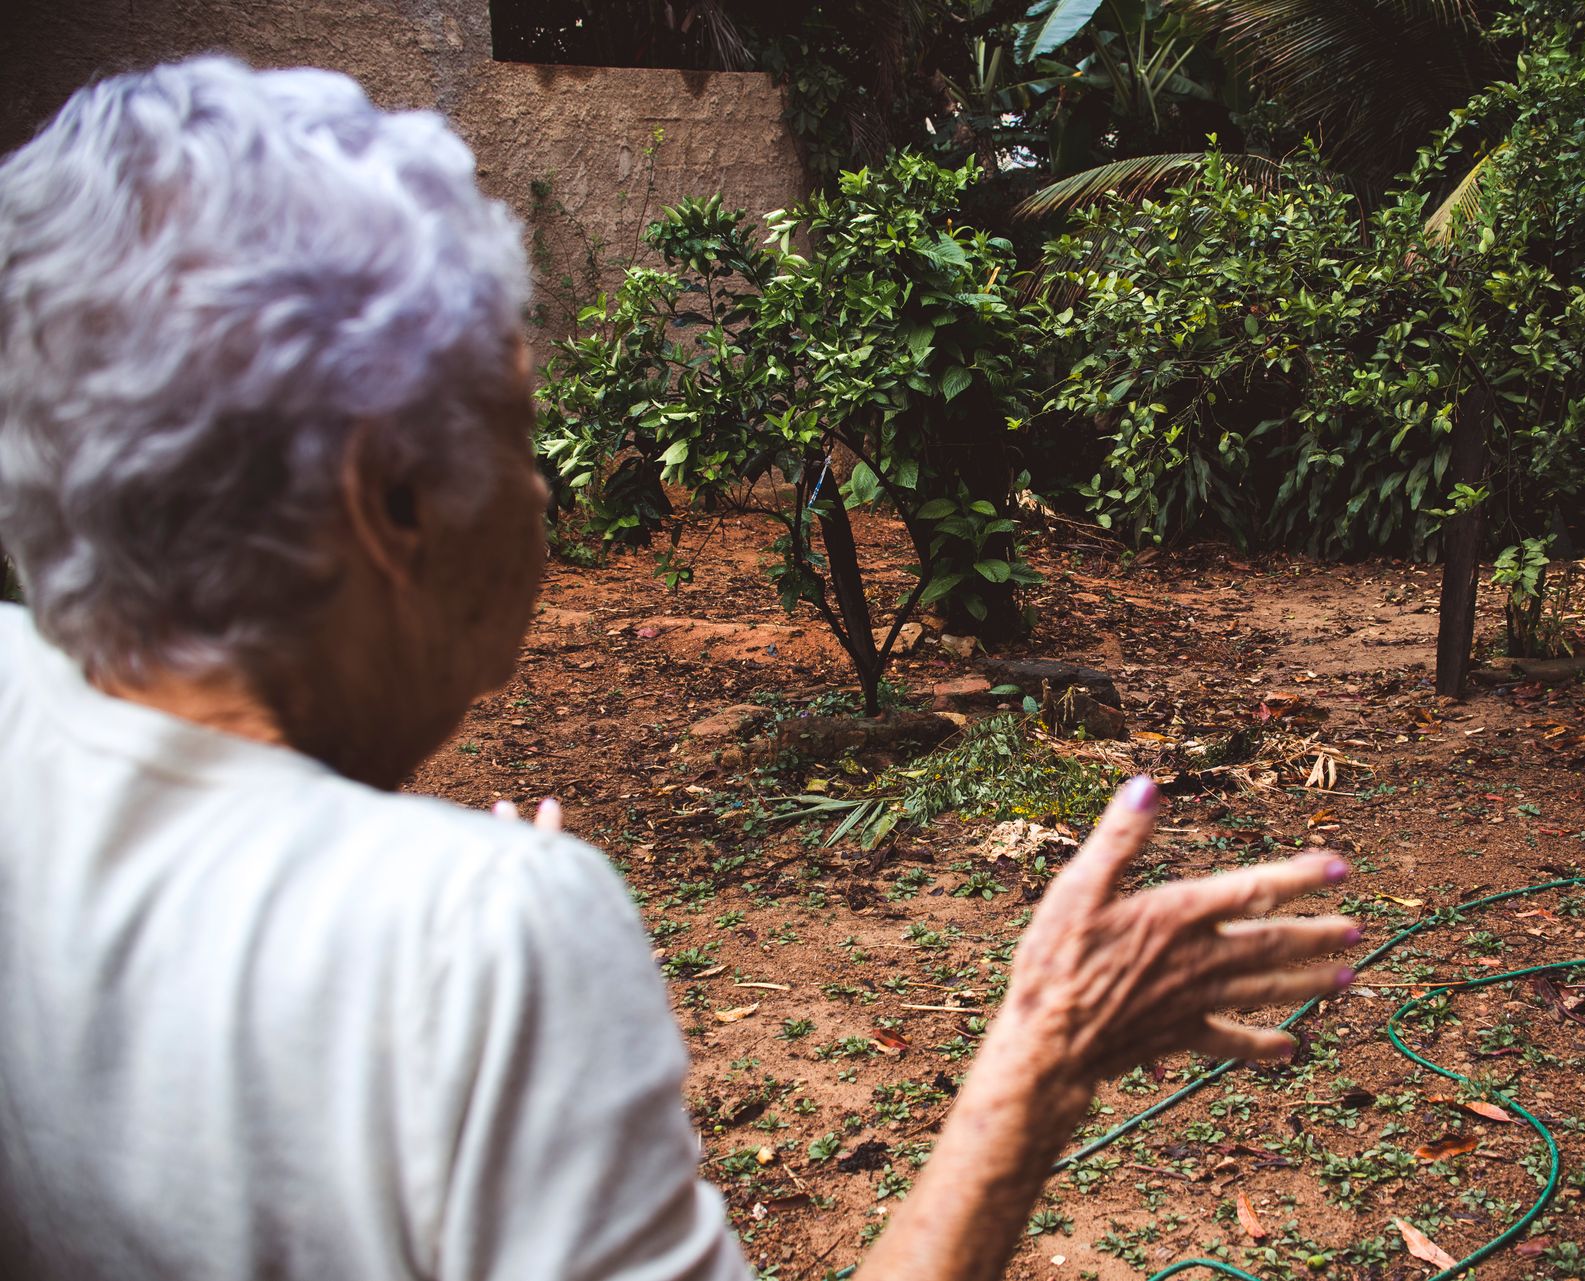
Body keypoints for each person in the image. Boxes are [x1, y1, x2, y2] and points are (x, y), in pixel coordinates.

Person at [0, 58, 1359, 1281]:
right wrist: (1036, 1067)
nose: (544, 494)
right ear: (395, 500)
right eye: (522, 435)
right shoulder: (479, 945)